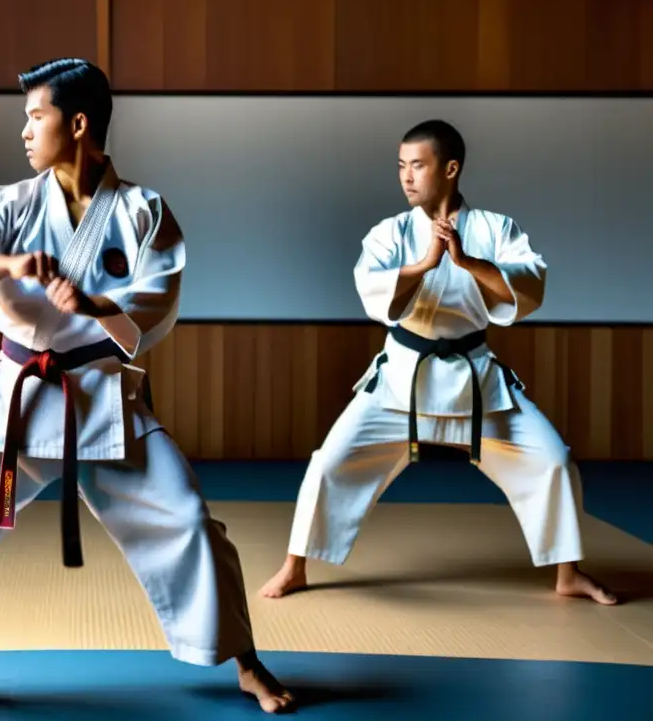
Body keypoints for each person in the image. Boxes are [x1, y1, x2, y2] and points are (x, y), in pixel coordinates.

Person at [0, 59, 295, 714]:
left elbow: (157, 302)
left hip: (101, 398)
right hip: (15, 396)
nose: (24, 130)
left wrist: (93, 305)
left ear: (77, 124)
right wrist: (11, 262)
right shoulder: (9, 204)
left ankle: (246, 661)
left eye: (36, 115)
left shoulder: (142, 210)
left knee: (189, 519)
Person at [259, 119, 617, 607]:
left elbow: (528, 285)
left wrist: (468, 262)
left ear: (450, 169)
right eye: (401, 166)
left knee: (551, 459)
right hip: (401, 376)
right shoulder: (390, 233)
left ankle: (568, 573)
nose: (407, 177)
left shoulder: (495, 229)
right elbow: (373, 291)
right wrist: (426, 264)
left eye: (418, 165)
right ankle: (294, 566)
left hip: (474, 376)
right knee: (331, 462)